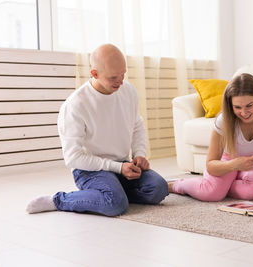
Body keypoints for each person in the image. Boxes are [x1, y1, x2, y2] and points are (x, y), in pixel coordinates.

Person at [26, 44, 168, 216]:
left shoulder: (128, 91)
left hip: (122, 164)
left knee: (159, 189)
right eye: (114, 77)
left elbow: (137, 125)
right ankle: (58, 200)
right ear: (94, 74)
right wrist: (117, 168)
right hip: (90, 170)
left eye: (123, 74)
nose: (121, 81)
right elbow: (74, 158)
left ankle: (111, 194)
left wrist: (139, 154)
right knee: (115, 205)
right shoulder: (75, 105)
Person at [168, 73, 253, 201]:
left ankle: (218, 187)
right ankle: (177, 185)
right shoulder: (224, 120)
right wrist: (234, 164)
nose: (244, 113)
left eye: (249, 105)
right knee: (210, 194)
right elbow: (211, 165)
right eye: (237, 107)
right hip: (226, 164)